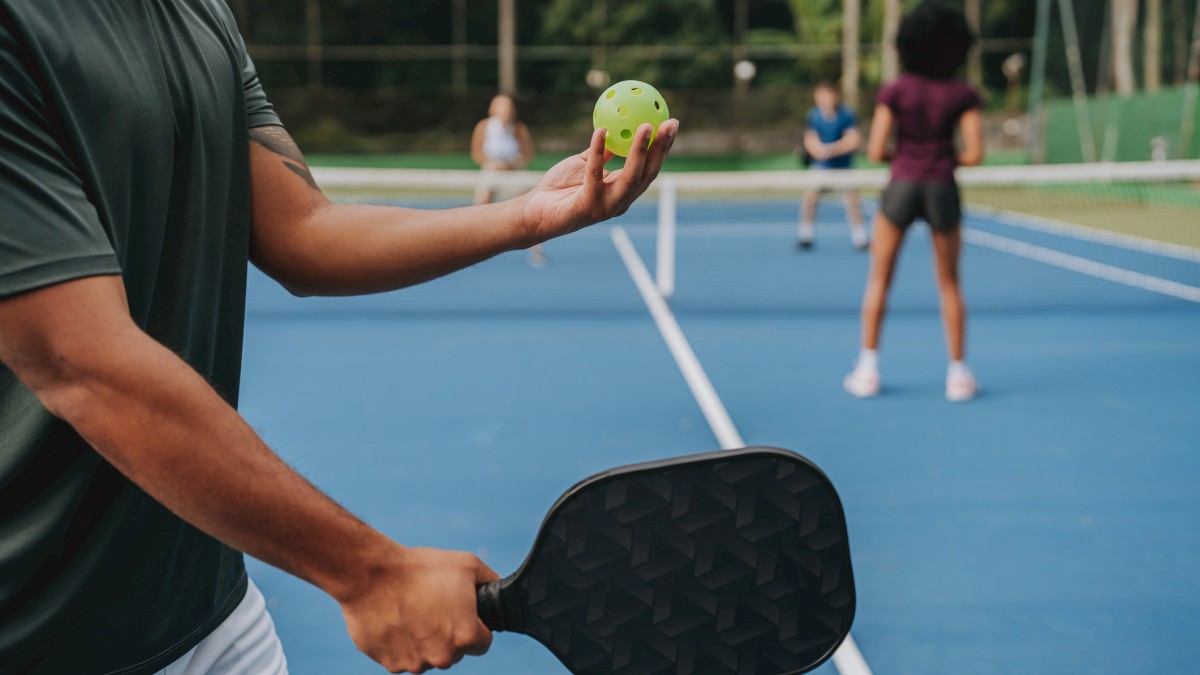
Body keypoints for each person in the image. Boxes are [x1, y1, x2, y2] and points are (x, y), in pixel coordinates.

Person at [0, 2, 678, 673]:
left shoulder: (194, 12)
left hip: (207, 603)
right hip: (43, 630)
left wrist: (528, 216)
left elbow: (303, 231)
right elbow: (83, 363)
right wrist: (368, 573)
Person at [842, 1, 984, 402]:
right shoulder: (962, 93)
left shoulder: (896, 89)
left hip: (901, 186)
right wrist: (940, 158)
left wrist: (906, 158)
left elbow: (874, 150)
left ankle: (867, 370)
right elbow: (974, 153)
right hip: (942, 188)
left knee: (879, 280)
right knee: (951, 283)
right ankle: (958, 376)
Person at [470, 94, 546, 267]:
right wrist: (493, 164)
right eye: (501, 106)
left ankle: (536, 250)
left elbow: (528, 154)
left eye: (508, 106)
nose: (505, 110)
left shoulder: (519, 129)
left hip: (515, 170)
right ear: (492, 109)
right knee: (481, 202)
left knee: (531, 206)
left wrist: (514, 162)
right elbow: (477, 153)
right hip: (492, 169)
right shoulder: (483, 127)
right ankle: (477, 246)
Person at [798, 83, 868, 251]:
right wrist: (818, 150)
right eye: (821, 96)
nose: (825, 99)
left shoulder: (847, 115)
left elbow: (853, 140)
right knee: (810, 200)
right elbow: (810, 139)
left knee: (853, 201)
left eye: (828, 95)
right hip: (820, 168)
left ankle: (860, 238)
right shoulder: (814, 116)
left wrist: (831, 150)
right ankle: (805, 236)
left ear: (835, 96)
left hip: (843, 168)